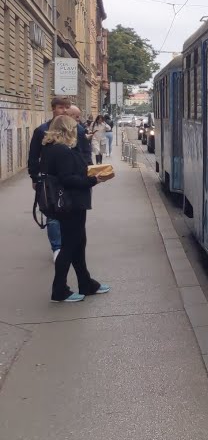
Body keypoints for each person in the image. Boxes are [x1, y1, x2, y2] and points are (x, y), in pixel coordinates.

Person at [40, 115, 110, 303]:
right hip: (70, 203)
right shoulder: (61, 150)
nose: (77, 130)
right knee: (70, 246)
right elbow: (68, 179)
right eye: (74, 127)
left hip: (68, 204)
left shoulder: (52, 148)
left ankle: (86, 283)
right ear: (67, 129)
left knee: (78, 243)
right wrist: (94, 179)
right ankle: (59, 290)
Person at [28, 96, 89, 261]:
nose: (64, 111)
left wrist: (86, 173)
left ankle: (69, 250)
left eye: (66, 107)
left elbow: (85, 154)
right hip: (51, 182)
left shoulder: (78, 130)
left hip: (72, 183)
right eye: (61, 107)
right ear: (53, 108)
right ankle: (57, 248)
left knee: (72, 216)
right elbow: (34, 157)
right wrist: (35, 177)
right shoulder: (42, 130)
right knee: (53, 215)